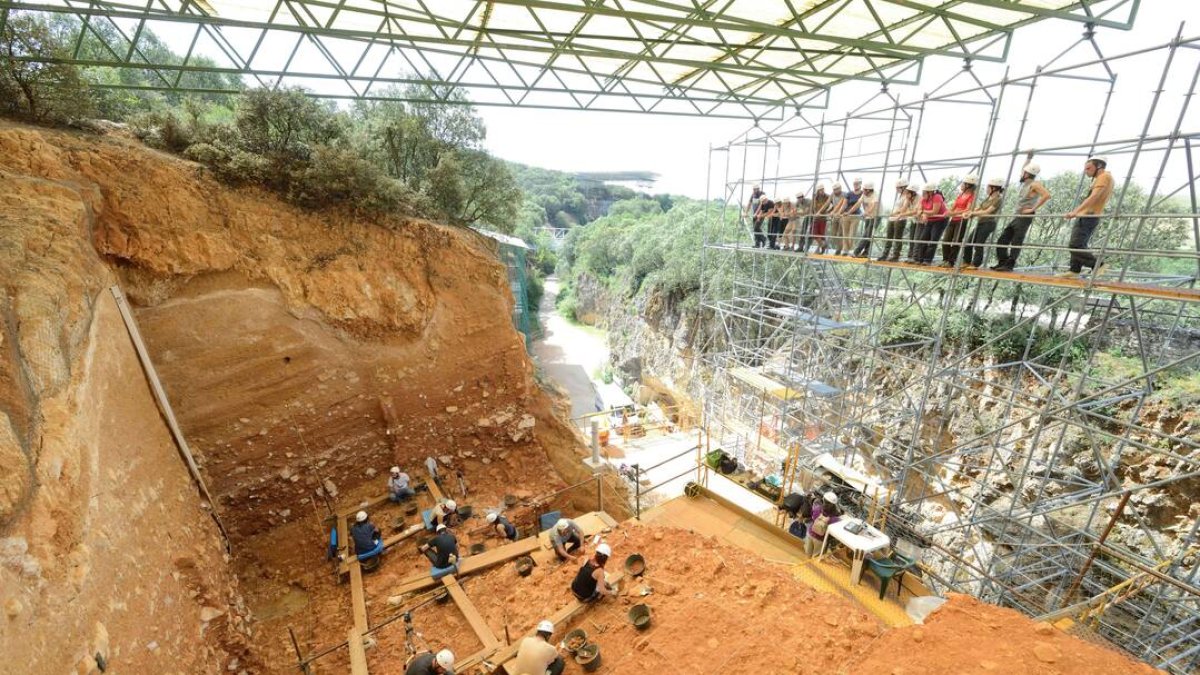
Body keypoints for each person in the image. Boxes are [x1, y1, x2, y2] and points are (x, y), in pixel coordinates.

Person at [1058, 156, 1114, 278]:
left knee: (1075, 245)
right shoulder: (1105, 177)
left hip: (1089, 215)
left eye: (1088, 168)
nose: (1086, 171)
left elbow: (1094, 196)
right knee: (1079, 243)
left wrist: (1075, 211)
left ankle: (1098, 265)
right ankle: (1074, 269)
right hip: (1088, 215)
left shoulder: (1103, 177)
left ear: (1099, 166)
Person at [992, 162, 1051, 272]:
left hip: (1025, 216)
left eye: (1023, 172)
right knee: (1003, 239)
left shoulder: (1035, 184)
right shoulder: (1026, 183)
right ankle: (1003, 261)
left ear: (1027, 174)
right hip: (1017, 216)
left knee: (1016, 240)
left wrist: (1033, 209)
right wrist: (1029, 157)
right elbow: (1023, 169)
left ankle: (1009, 265)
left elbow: (1047, 195)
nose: (1021, 174)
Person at [962, 178, 1005, 269]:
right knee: (969, 241)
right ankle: (966, 261)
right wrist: (970, 213)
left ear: (994, 188)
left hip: (988, 223)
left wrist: (972, 213)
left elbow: (987, 211)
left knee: (978, 243)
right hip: (981, 222)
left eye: (988, 187)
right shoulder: (988, 198)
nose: (987, 189)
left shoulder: (998, 200)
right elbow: (979, 208)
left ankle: (975, 264)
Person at [939, 175, 978, 267]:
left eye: (964, 183)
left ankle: (951, 261)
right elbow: (953, 207)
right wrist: (949, 212)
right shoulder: (960, 195)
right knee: (946, 240)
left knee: (957, 240)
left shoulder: (972, 197)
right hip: (954, 219)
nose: (962, 185)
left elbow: (968, 209)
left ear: (968, 185)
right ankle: (945, 259)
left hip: (961, 220)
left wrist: (954, 213)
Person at [878, 180, 916, 262]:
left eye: (898, 188)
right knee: (889, 237)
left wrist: (894, 213)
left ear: (903, 187)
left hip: (900, 219)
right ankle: (885, 254)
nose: (896, 189)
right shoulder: (900, 196)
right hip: (893, 218)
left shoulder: (907, 196)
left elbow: (904, 208)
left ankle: (896, 255)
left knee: (897, 238)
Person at [914, 183, 948, 265]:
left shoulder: (937, 197)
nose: (923, 193)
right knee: (923, 239)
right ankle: (920, 259)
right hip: (930, 220)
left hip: (940, 220)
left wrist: (923, 212)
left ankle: (928, 260)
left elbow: (934, 211)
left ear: (930, 192)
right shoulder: (924, 199)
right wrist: (922, 213)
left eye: (925, 191)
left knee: (933, 240)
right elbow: (919, 210)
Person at [804, 492, 841, 557]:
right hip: (821, 541)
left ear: (823, 500)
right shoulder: (835, 519)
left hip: (811, 534)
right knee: (815, 559)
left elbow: (812, 517)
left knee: (807, 555)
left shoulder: (817, 509)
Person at [851, 181, 880, 258]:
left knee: (867, 235)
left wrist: (866, 213)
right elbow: (858, 204)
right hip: (868, 217)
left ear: (868, 190)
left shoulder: (875, 195)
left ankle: (856, 252)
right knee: (868, 235)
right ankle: (866, 253)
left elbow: (873, 206)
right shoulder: (864, 194)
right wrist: (849, 212)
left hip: (875, 217)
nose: (862, 191)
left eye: (864, 189)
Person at [838, 180, 864, 256]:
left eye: (857, 184)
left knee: (852, 234)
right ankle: (845, 249)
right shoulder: (849, 193)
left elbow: (859, 204)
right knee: (845, 233)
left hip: (855, 216)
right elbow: (844, 204)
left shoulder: (862, 193)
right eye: (854, 183)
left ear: (860, 184)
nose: (855, 185)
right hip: (846, 215)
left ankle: (851, 249)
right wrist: (839, 213)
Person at [809, 184, 831, 253]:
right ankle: (823, 245)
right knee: (813, 233)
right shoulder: (815, 197)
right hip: (815, 218)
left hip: (823, 218)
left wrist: (829, 211)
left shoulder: (827, 196)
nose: (821, 191)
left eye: (822, 189)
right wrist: (812, 213)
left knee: (821, 234)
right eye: (820, 190)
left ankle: (822, 248)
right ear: (818, 191)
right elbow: (812, 206)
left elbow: (832, 205)